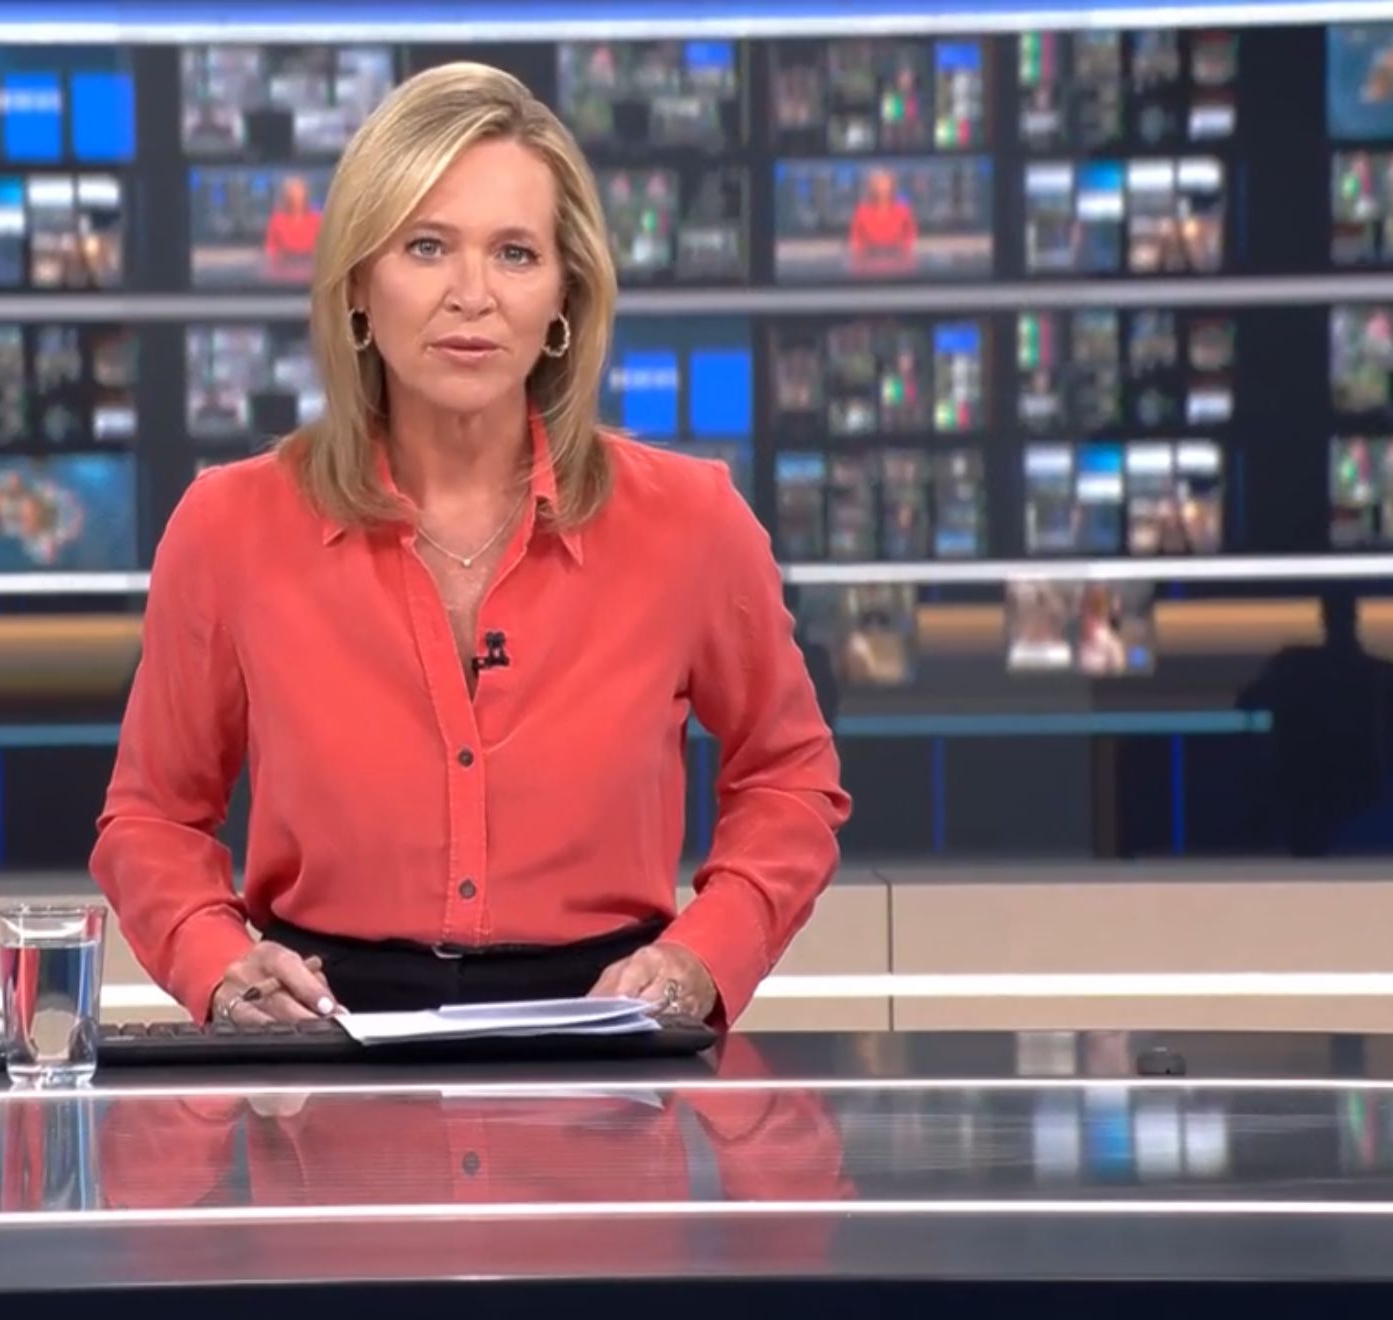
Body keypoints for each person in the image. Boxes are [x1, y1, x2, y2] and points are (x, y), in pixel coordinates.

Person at [91, 63, 850, 1031]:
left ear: (565, 296)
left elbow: (790, 782)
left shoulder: (691, 522)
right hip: (320, 1048)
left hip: (605, 1046)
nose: (472, 295)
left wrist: (701, 960)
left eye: (515, 254)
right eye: (427, 246)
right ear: (358, 284)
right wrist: (221, 965)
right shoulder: (229, 527)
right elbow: (152, 819)